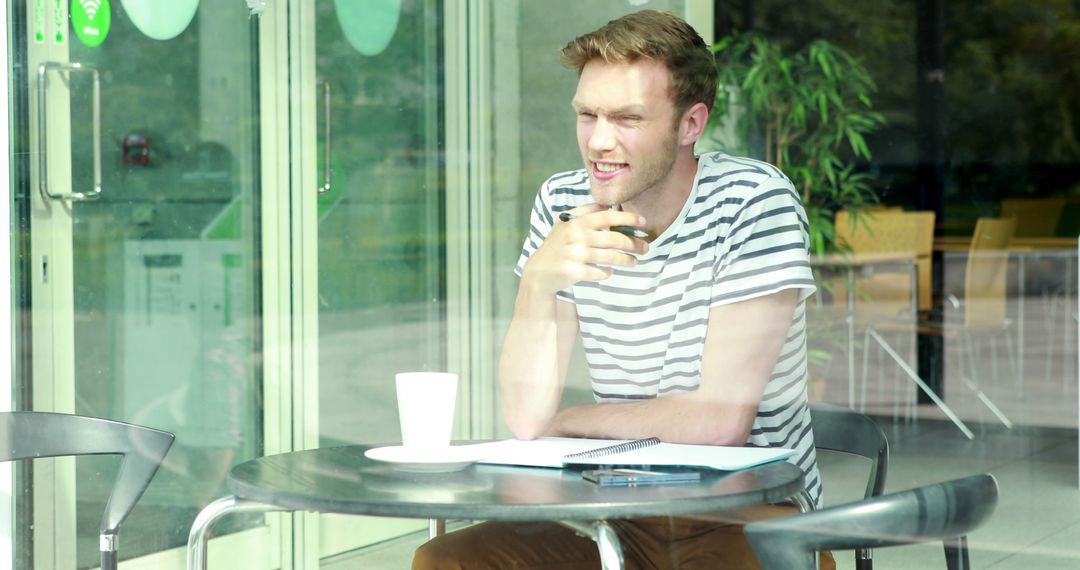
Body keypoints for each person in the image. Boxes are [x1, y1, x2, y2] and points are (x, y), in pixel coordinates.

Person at [414, 9, 834, 569]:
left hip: (747, 516)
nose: (599, 142)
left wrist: (570, 422)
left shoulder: (751, 202)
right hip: (614, 511)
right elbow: (524, 416)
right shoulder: (564, 204)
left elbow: (718, 422)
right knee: (450, 560)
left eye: (627, 118)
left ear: (691, 124)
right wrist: (538, 283)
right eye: (587, 115)